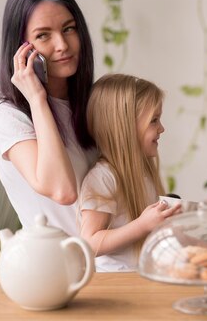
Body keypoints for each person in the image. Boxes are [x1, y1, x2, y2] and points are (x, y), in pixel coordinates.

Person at [0, 0, 98, 236]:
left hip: (113, 262)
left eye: (69, 29)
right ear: (21, 48)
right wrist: (37, 99)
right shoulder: (7, 115)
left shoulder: (91, 102)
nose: (62, 45)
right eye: (43, 35)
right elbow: (63, 190)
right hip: (59, 266)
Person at [79, 74, 181, 272]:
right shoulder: (103, 177)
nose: (162, 128)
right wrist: (142, 225)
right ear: (124, 128)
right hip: (116, 285)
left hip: (142, 278)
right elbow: (89, 244)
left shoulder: (143, 171)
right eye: (154, 120)